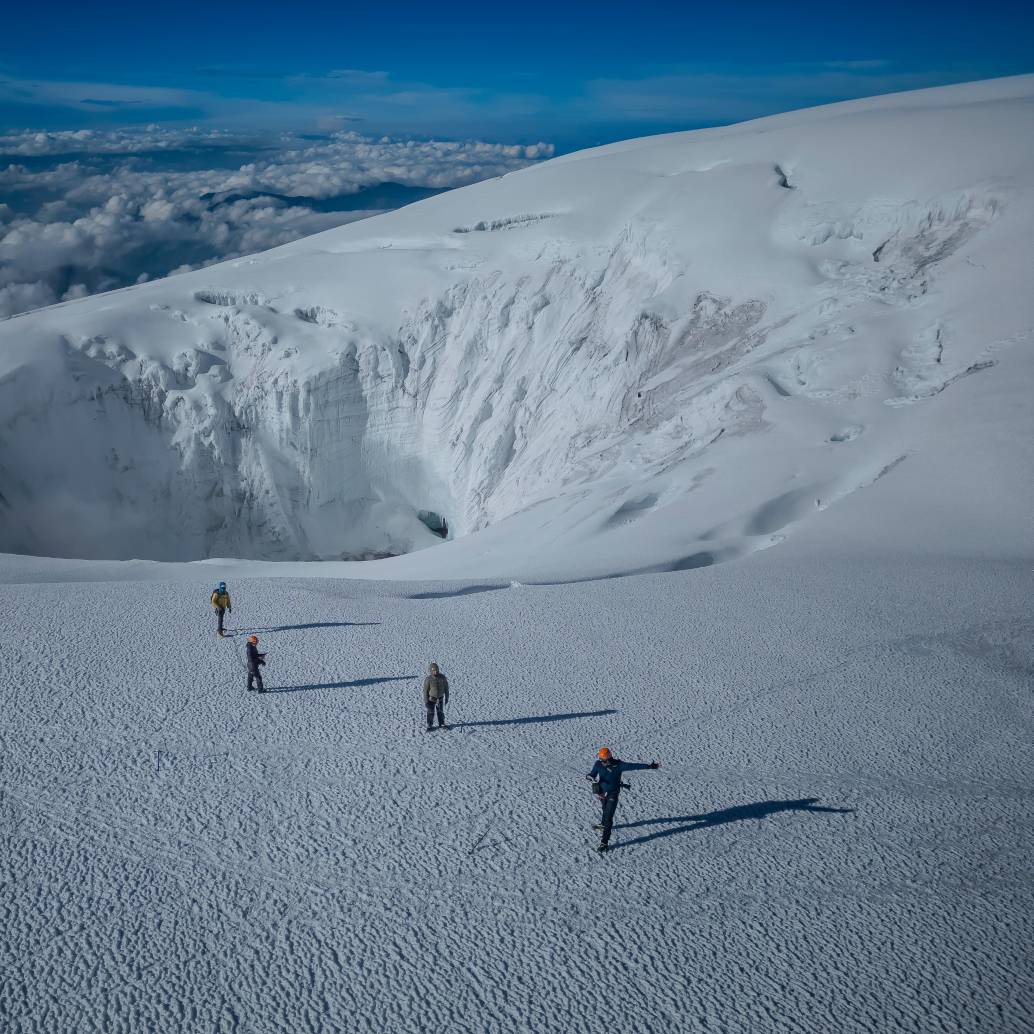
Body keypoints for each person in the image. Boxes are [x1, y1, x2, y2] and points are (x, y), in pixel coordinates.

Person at [586, 747, 660, 853]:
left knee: (608, 818)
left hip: (613, 793)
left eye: (603, 761)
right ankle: (602, 825)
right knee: (604, 808)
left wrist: (649, 766)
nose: (602, 762)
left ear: (609, 758)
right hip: (602, 792)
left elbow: (634, 766)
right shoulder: (598, 764)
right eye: (601, 760)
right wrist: (590, 777)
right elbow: (592, 774)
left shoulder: (619, 765)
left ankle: (604, 843)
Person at [422, 662, 449, 731]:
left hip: (440, 698)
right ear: (431, 671)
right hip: (431, 699)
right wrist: (426, 701)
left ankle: (442, 723)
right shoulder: (428, 679)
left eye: (436, 670)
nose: (435, 672)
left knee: (440, 712)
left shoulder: (442, 677)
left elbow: (446, 688)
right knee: (430, 712)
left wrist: (447, 697)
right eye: (433, 671)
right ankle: (430, 724)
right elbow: (425, 691)